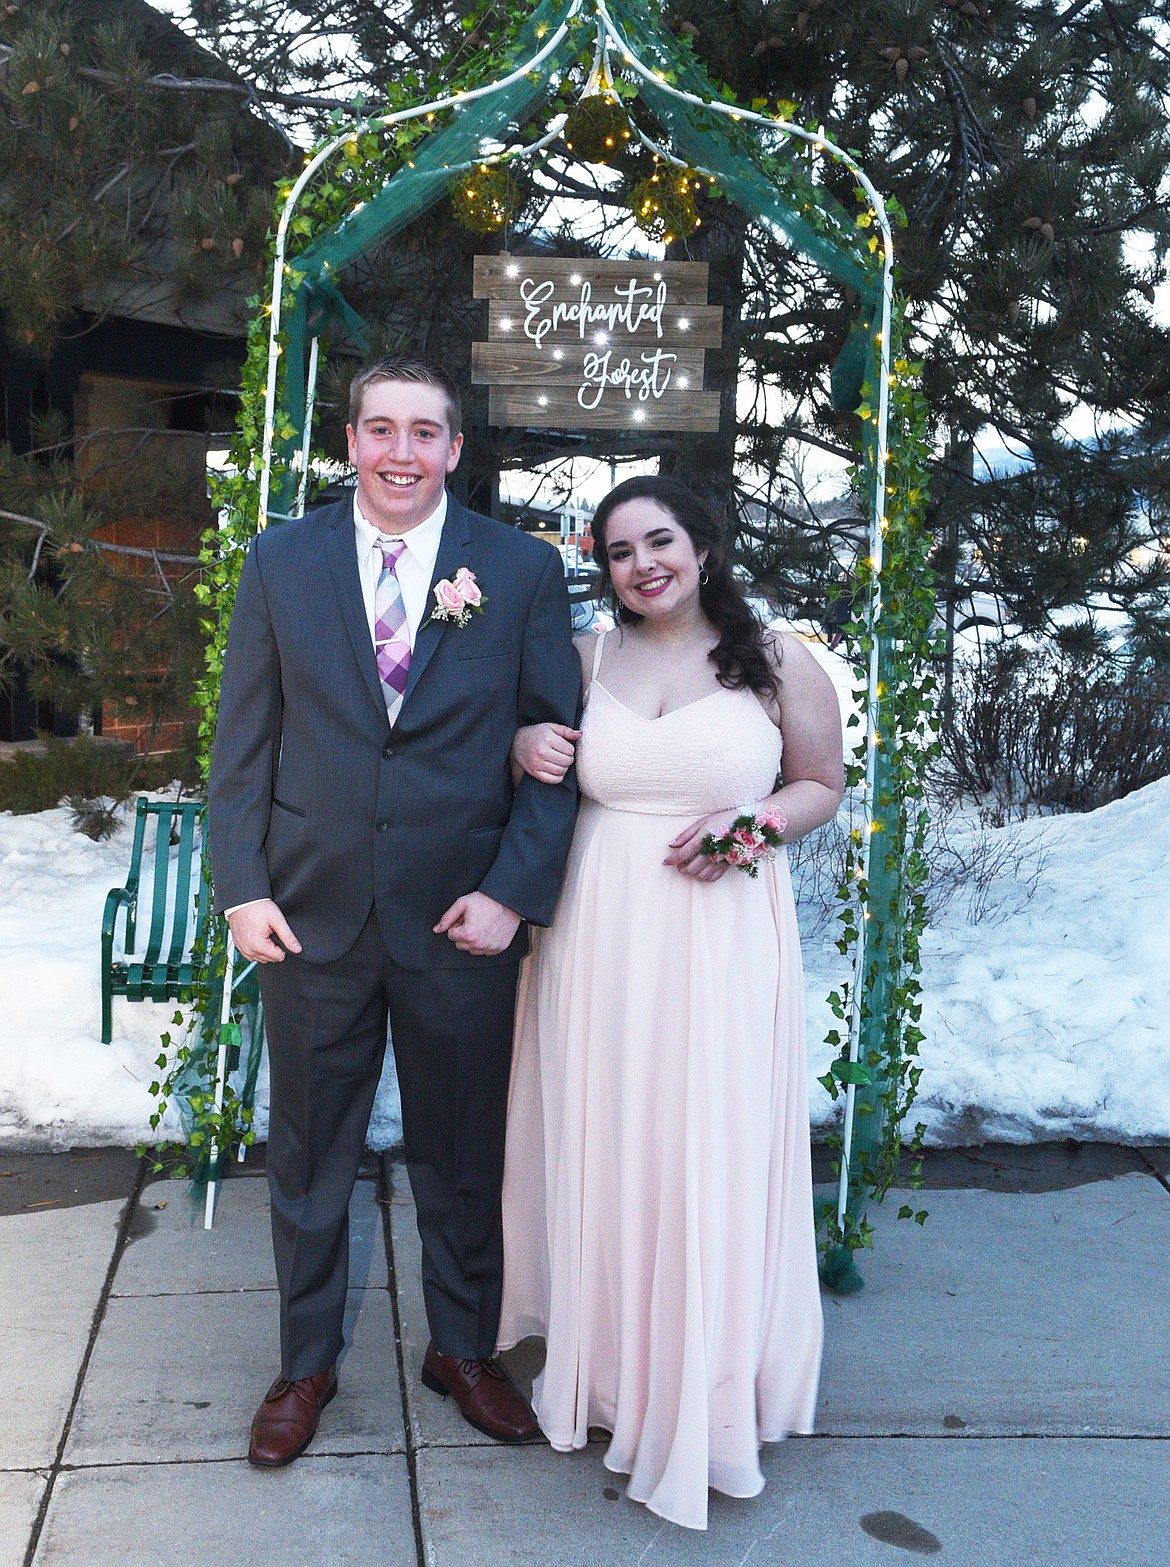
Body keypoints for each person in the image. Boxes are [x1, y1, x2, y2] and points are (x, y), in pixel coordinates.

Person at [208, 352, 580, 1467]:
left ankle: (461, 1346)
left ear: (456, 449)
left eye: (425, 433)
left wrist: (511, 895)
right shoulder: (281, 559)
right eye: (381, 430)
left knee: (462, 1153)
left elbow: (554, 751)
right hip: (310, 917)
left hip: (456, 916)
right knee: (310, 1155)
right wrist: (242, 887)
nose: (402, 453)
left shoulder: (515, 569)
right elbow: (243, 746)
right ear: (352, 441)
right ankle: (305, 1361)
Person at [498, 474, 844, 1530]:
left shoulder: (780, 659)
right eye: (617, 551)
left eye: (660, 541)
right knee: (611, 1137)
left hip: (717, 935)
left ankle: (703, 1383)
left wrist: (755, 826)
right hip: (597, 936)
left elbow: (820, 784)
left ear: (701, 543)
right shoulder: (587, 657)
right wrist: (524, 746)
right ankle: (606, 1370)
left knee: (703, 1143)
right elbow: (539, 755)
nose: (642, 563)